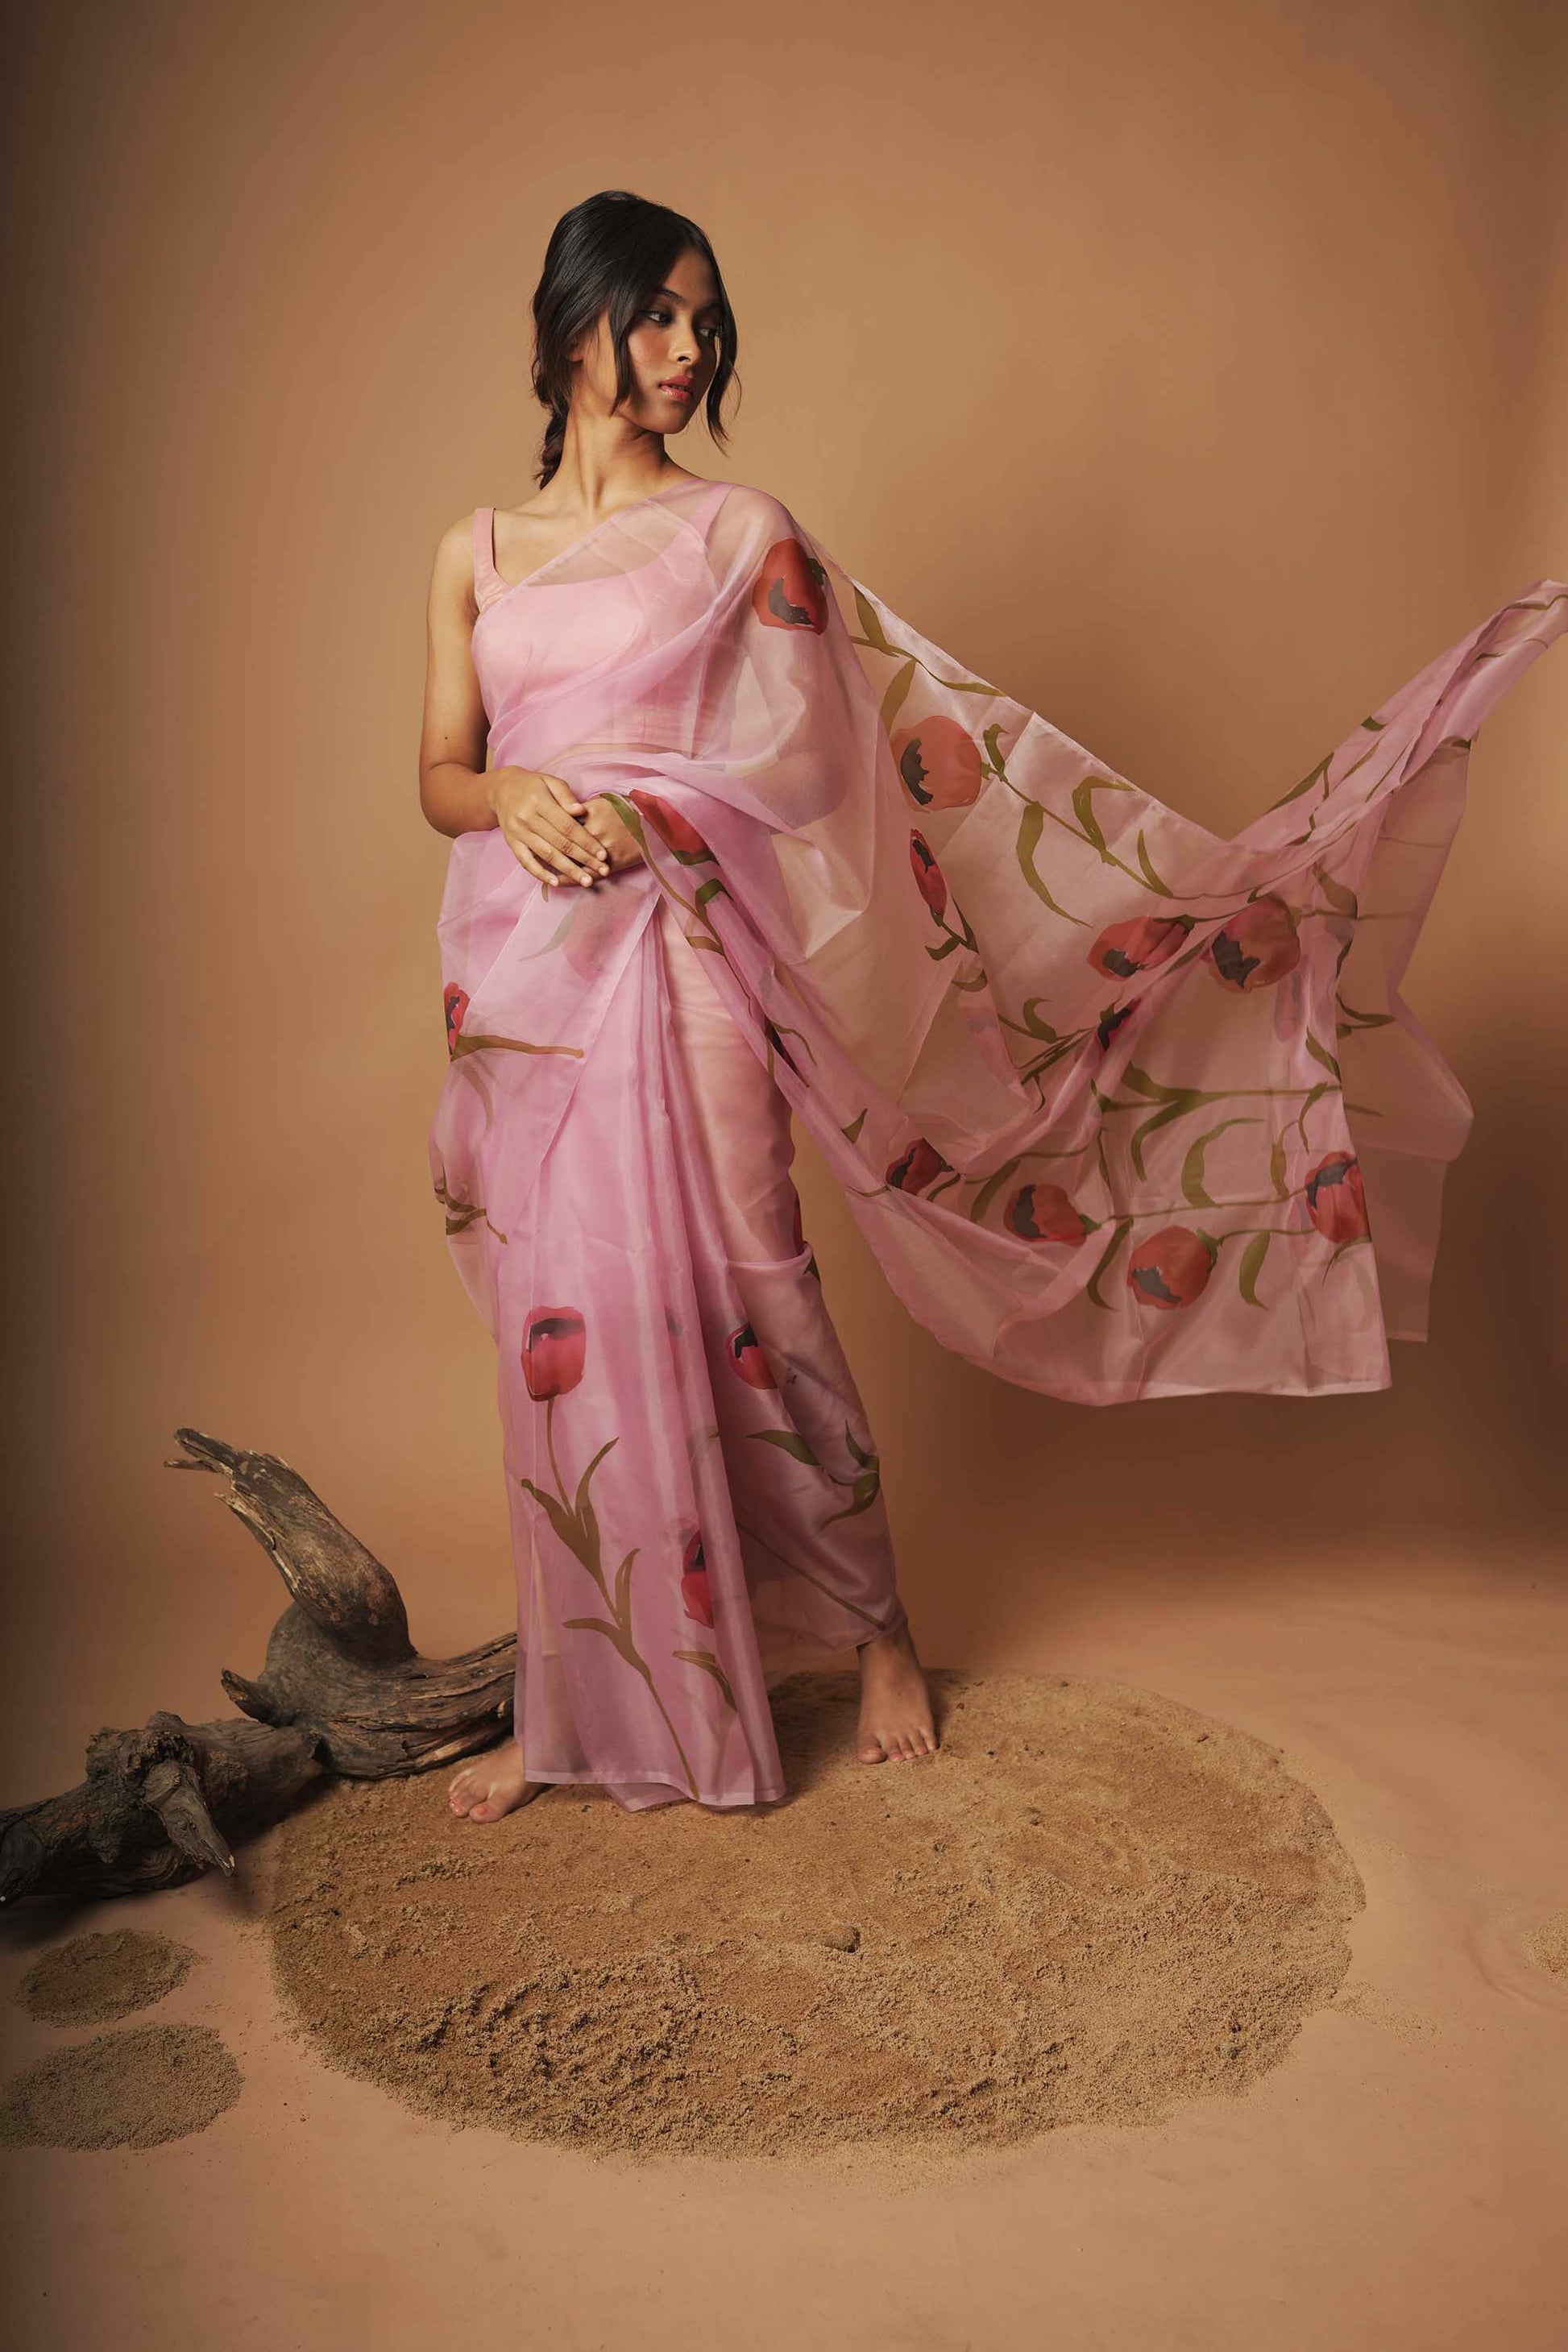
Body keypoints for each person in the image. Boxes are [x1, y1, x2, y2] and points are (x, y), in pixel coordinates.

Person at [418, 191, 1566, 1827]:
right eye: (657, 314)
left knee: (756, 1291)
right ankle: (575, 1706)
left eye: (705, 321)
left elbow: (815, 764)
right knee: (569, 1314)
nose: (688, 349)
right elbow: (440, 772)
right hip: (530, 983)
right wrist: (515, 792)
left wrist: (654, 811)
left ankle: (876, 1629)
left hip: (688, 956)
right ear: (570, 320)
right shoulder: (472, 551)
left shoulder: (740, 534)